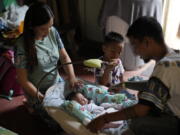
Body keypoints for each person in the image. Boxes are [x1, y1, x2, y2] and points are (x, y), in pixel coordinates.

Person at [87, 16, 180, 135]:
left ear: (147, 42)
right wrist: (126, 83)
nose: (135, 52)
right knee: (144, 96)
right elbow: (153, 85)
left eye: (135, 45)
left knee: (137, 122)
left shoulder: (163, 67)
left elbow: (141, 110)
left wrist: (104, 118)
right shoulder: (174, 56)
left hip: (175, 122)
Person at [14, 1, 81, 132]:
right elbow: (23, 80)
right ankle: (31, 105)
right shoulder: (21, 45)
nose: (48, 32)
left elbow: (64, 57)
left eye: (50, 26)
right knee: (60, 123)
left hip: (56, 83)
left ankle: (35, 106)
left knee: (80, 100)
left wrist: (72, 77)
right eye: (43, 29)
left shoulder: (53, 32)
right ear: (32, 26)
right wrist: (41, 97)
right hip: (37, 91)